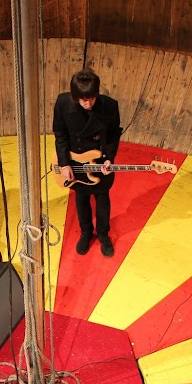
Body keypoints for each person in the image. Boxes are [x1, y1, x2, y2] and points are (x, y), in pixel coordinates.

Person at [53, 69, 123, 257]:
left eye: (91, 99)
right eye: (83, 100)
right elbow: (60, 134)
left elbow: (113, 135)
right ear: (75, 96)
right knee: (81, 198)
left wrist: (109, 158)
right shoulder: (63, 103)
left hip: (100, 160)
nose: (88, 104)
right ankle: (85, 232)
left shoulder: (110, 106)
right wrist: (64, 163)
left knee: (102, 198)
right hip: (75, 160)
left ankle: (103, 234)